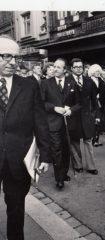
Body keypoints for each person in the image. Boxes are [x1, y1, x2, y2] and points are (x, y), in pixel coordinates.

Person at [0, 36, 51, 240]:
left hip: (18, 160)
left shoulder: (29, 86)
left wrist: (46, 156)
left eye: (15, 57)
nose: (12, 62)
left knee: (16, 209)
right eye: (5, 56)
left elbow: (40, 122)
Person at [40, 58, 81, 189]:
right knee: (56, 150)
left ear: (65, 70)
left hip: (68, 123)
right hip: (53, 123)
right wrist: (54, 108)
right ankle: (59, 179)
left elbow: (79, 104)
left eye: (58, 67)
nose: (55, 69)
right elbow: (41, 103)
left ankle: (63, 173)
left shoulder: (72, 83)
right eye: (54, 67)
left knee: (66, 149)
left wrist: (71, 111)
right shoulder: (46, 83)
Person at [68, 58, 100, 175]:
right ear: (71, 68)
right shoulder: (67, 80)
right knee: (74, 141)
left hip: (86, 115)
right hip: (73, 116)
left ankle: (91, 166)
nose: (78, 69)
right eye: (75, 67)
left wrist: (96, 114)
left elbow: (94, 99)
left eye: (80, 67)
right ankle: (78, 165)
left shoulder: (88, 81)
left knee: (88, 140)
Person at [88, 64, 105, 147]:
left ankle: (96, 139)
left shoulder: (101, 81)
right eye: (96, 71)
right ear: (92, 72)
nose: (98, 73)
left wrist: (100, 96)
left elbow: (104, 91)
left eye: (99, 71)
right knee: (92, 121)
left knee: (98, 121)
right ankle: (92, 139)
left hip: (99, 103)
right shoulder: (88, 80)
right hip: (91, 104)